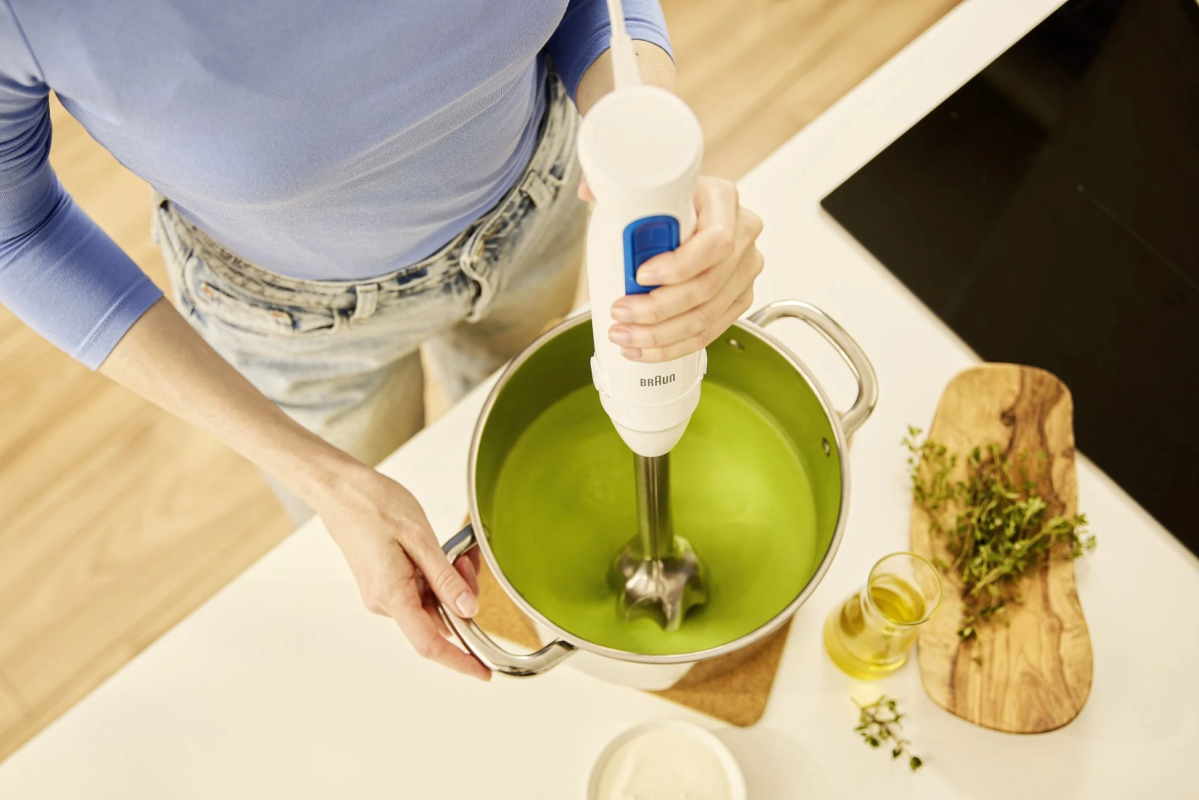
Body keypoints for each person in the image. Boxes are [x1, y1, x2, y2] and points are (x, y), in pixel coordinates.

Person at [0, 1, 764, 681]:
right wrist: (326, 480)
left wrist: (648, 148)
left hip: (544, 207)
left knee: (508, 427)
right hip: (297, 324)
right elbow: (16, 235)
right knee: (375, 527)